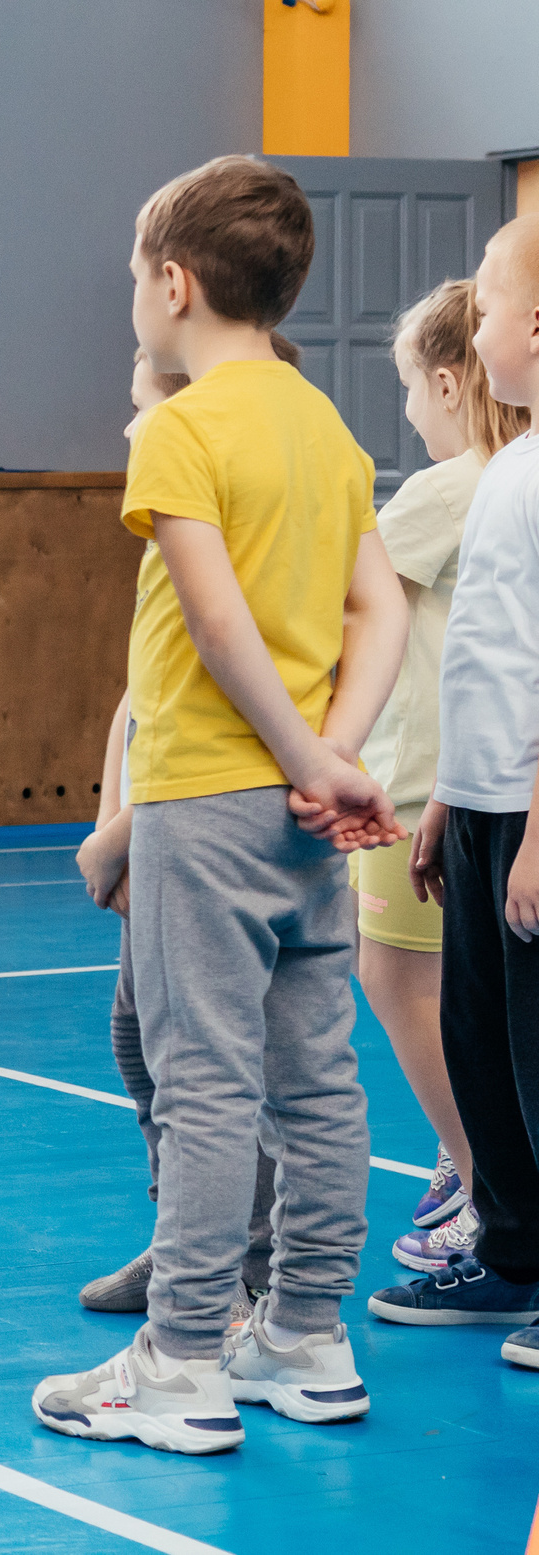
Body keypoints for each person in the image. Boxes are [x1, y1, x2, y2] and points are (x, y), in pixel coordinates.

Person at [31, 154, 407, 1454]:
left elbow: (218, 620)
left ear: (175, 284)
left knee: (203, 1082)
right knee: (317, 1075)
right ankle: (307, 1330)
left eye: (137, 281)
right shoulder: (326, 426)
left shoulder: (181, 427)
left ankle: (183, 1356)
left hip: (211, 794)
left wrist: (308, 754)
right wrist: (340, 754)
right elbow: (382, 607)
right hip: (309, 812)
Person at [74, 335, 307, 1317]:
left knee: (209, 1059)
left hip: (200, 814)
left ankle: (245, 1270)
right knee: (138, 1038)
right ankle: (179, 1237)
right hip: (149, 819)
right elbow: (139, 696)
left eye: (140, 404)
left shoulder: (221, 509)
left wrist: (124, 829)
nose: (130, 426)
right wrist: (107, 819)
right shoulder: (164, 535)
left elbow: (215, 684)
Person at [374, 217, 539, 1372]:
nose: (472, 327)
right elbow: (485, 651)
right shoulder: (509, 470)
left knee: (534, 1055)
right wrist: (447, 799)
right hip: (474, 805)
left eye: (482, 307)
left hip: (529, 816)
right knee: (480, 1040)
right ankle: (516, 1255)